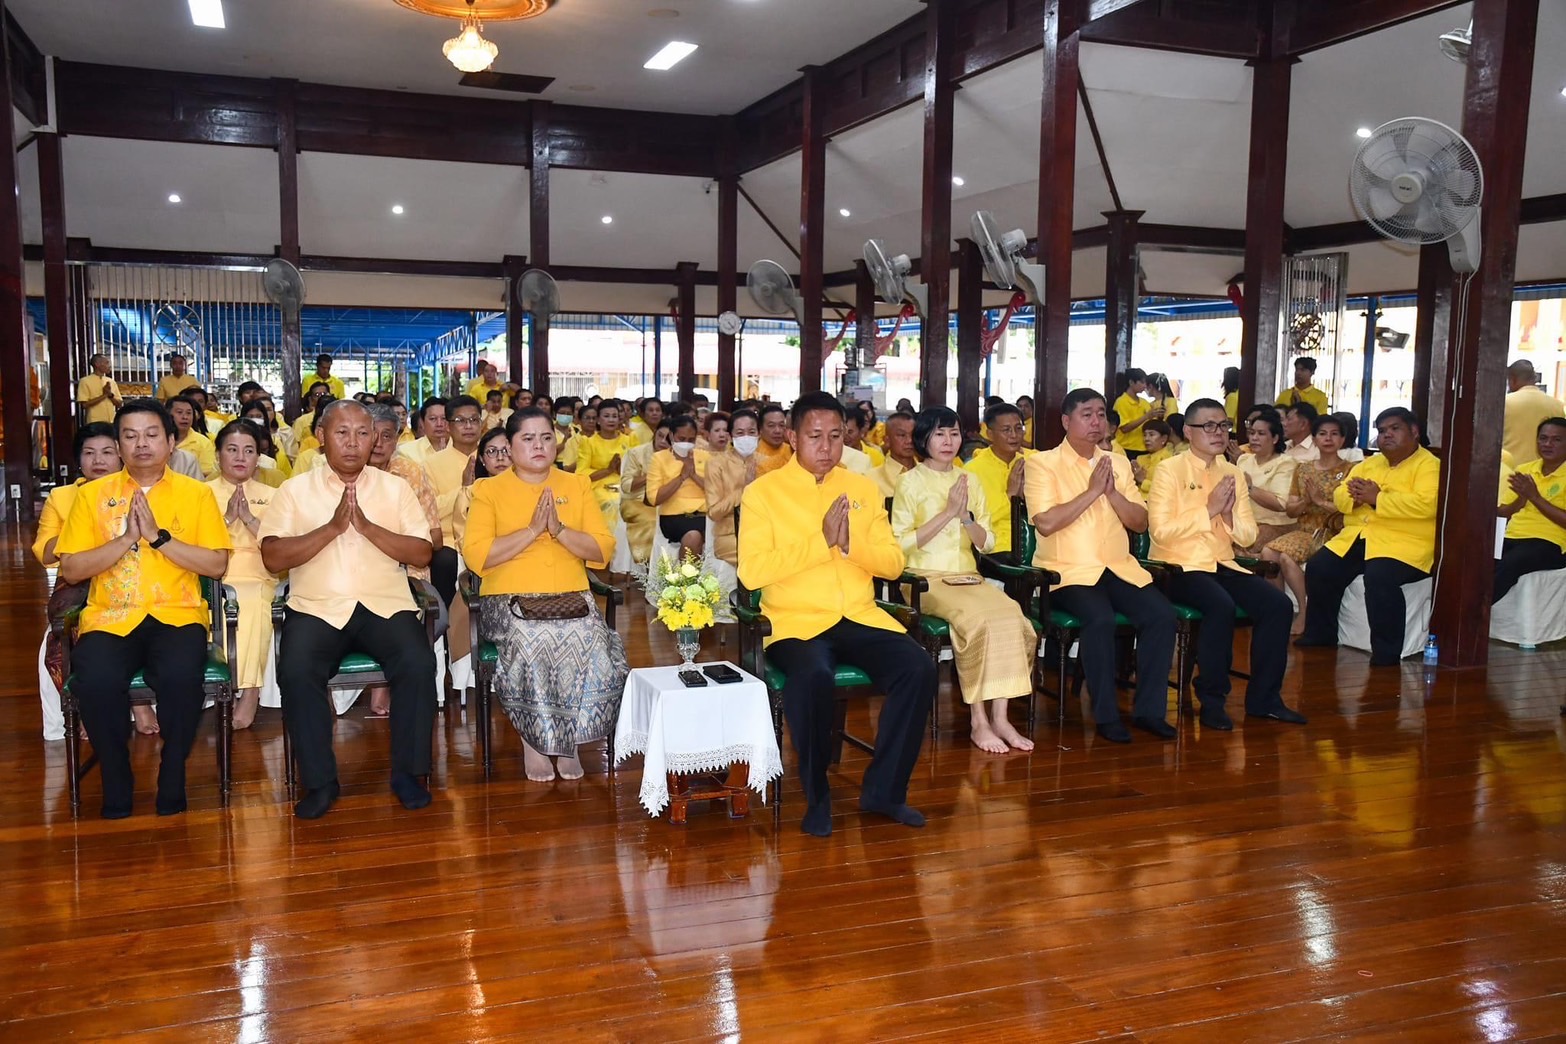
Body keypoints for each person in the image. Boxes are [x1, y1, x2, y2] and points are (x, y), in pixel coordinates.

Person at [739, 392, 935, 837]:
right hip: (796, 621)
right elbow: (752, 573)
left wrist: (849, 544)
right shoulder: (763, 493)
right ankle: (817, 797)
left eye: (835, 436)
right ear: (792, 437)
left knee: (918, 668)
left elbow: (892, 564)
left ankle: (885, 791)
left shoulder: (863, 488)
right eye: (814, 437)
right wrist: (821, 541)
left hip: (860, 616)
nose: (827, 447)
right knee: (811, 677)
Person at [260, 399, 438, 819]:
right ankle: (320, 782)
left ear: (375, 439)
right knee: (297, 670)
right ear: (321, 437)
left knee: (417, 662)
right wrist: (334, 527)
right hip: (316, 607)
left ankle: (408, 775)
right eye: (342, 432)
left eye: (363, 433)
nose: (353, 442)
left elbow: (423, 552)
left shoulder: (395, 489)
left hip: (385, 604)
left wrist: (367, 527)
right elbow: (272, 557)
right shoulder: (294, 490)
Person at [55, 399, 232, 817]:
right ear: (118, 445)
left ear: (172, 442)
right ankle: (117, 776)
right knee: (95, 679)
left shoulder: (197, 494)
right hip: (111, 615)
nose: (142, 445)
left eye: (152, 434)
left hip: (177, 613)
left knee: (179, 676)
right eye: (130, 436)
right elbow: (73, 569)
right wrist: (126, 540)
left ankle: (172, 773)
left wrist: (159, 538)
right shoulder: (92, 496)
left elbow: (217, 565)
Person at [463, 408, 627, 782]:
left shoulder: (576, 485)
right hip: (508, 599)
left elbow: (603, 550)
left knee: (594, 641)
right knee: (533, 639)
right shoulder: (489, 490)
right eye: (528, 438)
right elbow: (477, 556)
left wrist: (560, 530)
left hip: (571, 599)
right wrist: (534, 530)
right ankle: (534, 741)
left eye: (546, 437)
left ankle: (568, 741)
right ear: (511, 446)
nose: (539, 445)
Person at [1023, 388, 1176, 743]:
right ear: (1066, 421)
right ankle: (1106, 716)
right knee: (1101, 618)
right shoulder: (1042, 463)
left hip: (1118, 567)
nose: (1096, 422)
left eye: (1101, 414)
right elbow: (1045, 522)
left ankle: (1150, 711)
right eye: (1087, 414)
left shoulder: (1118, 463)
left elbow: (1139, 522)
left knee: (1161, 616)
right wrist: (1093, 491)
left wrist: (1111, 493)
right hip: (1067, 572)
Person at [1148, 400, 1305, 727]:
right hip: (1178, 567)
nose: (1218, 433)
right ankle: (1212, 699)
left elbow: (1247, 537)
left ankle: (1265, 700)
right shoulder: (1169, 470)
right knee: (1219, 605)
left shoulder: (1233, 472)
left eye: (1223, 425)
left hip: (1223, 563)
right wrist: (1209, 510)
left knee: (1276, 605)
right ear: (1189, 432)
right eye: (1209, 426)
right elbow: (1161, 532)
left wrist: (1229, 513)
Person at [892, 407, 1037, 753]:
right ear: (924, 439)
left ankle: (1001, 717)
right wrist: (946, 514)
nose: (948, 441)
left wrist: (966, 518)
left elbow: (986, 543)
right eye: (939, 434)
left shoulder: (970, 481)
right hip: (925, 579)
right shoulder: (909, 482)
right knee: (979, 622)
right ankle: (979, 721)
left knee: (1014, 618)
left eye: (954, 433)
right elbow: (899, 544)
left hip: (968, 577)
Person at [1295, 407, 1440, 665]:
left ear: (1414, 432)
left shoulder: (1430, 466)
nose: (1387, 436)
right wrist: (1358, 497)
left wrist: (1377, 499)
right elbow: (1340, 496)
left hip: (1405, 543)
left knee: (1380, 577)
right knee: (1320, 566)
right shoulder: (1370, 463)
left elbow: (1426, 505)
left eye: (1395, 429)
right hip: (1359, 535)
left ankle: (1386, 652)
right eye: (1382, 431)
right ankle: (1321, 634)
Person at [34, 423, 145, 741]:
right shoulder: (62, 497)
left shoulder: (138, 491)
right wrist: (80, 527)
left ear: (122, 456)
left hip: (129, 573)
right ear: (79, 460)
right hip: (79, 578)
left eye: (107, 452)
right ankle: (87, 709)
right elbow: (45, 553)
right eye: (89, 453)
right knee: (67, 631)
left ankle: (138, 704)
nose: (98, 460)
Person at [207, 421, 282, 731]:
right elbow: (194, 543)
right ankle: (221, 687)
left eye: (249, 451)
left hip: (258, 573)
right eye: (232, 450)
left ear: (258, 457)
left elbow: (282, 545)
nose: (240, 457)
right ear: (218, 455)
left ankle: (249, 691)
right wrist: (226, 519)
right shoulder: (200, 493)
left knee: (250, 603)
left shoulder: (275, 494)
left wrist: (250, 520)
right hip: (212, 571)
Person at [420, 394, 483, 607]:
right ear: (448, 426)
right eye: (460, 421)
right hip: (449, 540)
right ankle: (447, 630)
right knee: (443, 561)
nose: (468, 426)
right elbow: (431, 509)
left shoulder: (493, 455)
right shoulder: (431, 464)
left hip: (488, 535)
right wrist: (463, 489)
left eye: (474, 420)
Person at [1494, 418, 1566, 602]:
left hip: (1551, 543)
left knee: (1510, 564)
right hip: (1513, 536)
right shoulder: (1525, 470)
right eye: (1543, 438)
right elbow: (1503, 513)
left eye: (1556, 440)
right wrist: (1522, 498)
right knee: (1476, 556)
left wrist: (1535, 497)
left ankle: (1470, 613)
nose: (1547, 444)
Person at [964, 403, 1031, 554]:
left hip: (1031, 547)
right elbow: (973, 521)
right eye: (1006, 430)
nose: (1014, 435)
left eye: (1018, 428)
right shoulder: (973, 470)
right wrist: (1010, 496)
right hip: (994, 550)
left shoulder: (1030, 463)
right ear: (990, 434)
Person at [1236, 410, 1299, 554]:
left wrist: (1250, 487)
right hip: (1243, 523)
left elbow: (1280, 504)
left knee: (1245, 547)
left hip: (1275, 526)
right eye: (1252, 433)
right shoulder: (1244, 460)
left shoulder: (1286, 463)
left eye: (1261, 434)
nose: (1254, 438)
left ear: (1275, 438)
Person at [649, 414, 710, 560]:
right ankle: (688, 580)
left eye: (691, 440)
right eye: (681, 439)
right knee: (693, 536)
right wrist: (681, 477)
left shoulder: (705, 457)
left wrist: (694, 475)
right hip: (673, 517)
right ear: (671, 435)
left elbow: (716, 492)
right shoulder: (659, 458)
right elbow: (654, 498)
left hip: (704, 515)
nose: (686, 443)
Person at [706, 408, 756, 568]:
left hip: (766, 533)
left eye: (751, 432)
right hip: (730, 535)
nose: (746, 437)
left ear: (759, 434)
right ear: (731, 436)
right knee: (755, 555)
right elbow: (714, 512)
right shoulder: (716, 464)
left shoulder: (768, 464)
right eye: (740, 433)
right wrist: (744, 490)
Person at [578, 398, 633, 533]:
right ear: (598, 420)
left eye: (614, 416)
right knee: (613, 503)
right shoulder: (589, 442)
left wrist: (620, 469)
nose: (611, 420)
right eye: (606, 416)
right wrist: (608, 470)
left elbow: (637, 469)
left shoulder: (630, 440)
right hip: (599, 487)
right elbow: (580, 473)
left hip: (626, 486)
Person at [619, 419, 669, 564]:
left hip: (667, 502)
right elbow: (626, 485)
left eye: (668, 438)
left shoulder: (676, 455)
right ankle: (649, 567)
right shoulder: (636, 453)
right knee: (653, 522)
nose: (663, 441)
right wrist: (651, 475)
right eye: (660, 436)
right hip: (636, 501)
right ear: (654, 434)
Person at [1502, 360, 1565, 465]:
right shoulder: (1557, 405)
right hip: (1544, 472)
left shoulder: (1505, 403)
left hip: (1510, 470)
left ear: (1513, 379)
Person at [1113, 368, 1160, 456]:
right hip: (1127, 448)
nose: (1145, 386)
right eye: (1142, 382)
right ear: (1131, 382)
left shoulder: (1144, 402)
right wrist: (1146, 417)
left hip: (1145, 448)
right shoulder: (1121, 402)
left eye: (1145, 383)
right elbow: (1124, 428)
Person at [168, 393, 217, 478]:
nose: (185, 417)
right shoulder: (159, 440)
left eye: (189, 413)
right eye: (179, 412)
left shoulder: (203, 442)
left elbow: (207, 473)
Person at [871, 410, 918, 497]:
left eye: (913, 435)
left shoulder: (929, 474)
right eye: (902, 435)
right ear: (887, 441)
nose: (909, 441)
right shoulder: (871, 479)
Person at [396, 396, 451, 466]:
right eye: (433, 419)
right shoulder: (406, 451)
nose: (439, 424)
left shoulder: (463, 448)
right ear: (422, 422)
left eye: (444, 418)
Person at [77, 353, 123, 425]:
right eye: (106, 363)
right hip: (94, 422)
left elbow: (119, 404)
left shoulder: (111, 381)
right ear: (97, 364)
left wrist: (110, 395)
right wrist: (104, 395)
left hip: (111, 421)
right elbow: (84, 405)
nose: (109, 366)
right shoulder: (85, 381)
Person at [1132, 420, 1174, 495]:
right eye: (1144, 435)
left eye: (1151, 435)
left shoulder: (1170, 460)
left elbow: (1166, 489)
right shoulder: (1140, 458)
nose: (1146, 439)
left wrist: (1142, 481)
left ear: (1164, 438)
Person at [755, 403, 794, 476]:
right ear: (760, 429)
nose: (777, 431)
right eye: (771, 426)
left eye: (781, 425)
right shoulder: (752, 455)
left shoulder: (793, 451)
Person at [559, 401, 597, 472]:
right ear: (579, 420)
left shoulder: (601, 438)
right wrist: (584, 460)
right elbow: (566, 469)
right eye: (587, 418)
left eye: (594, 418)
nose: (591, 421)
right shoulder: (571, 441)